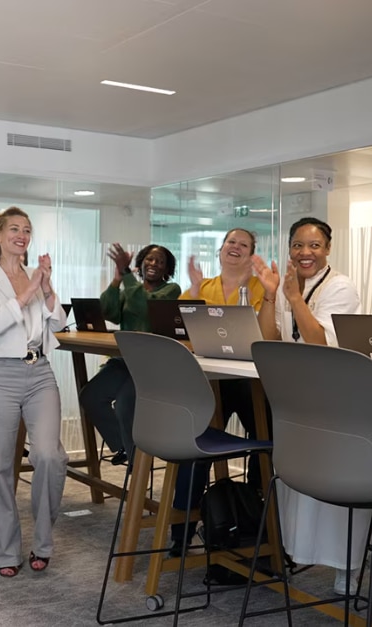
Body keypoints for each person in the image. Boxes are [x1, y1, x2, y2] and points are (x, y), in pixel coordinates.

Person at [251, 217, 372, 596]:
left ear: (328, 248)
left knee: (340, 480)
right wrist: (270, 295)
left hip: (336, 396)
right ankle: (306, 553)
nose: (305, 253)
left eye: (314, 245)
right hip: (297, 395)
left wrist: (295, 298)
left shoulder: (340, 286)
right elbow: (269, 336)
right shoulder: (285, 286)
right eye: (298, 245)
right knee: (302, 478)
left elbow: (318, 342)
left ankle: (360, 559)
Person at [0, 206, 69, 579]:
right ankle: (5, 549)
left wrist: (46, 288)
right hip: (1, 374)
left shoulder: (35, 277)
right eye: (14, 229)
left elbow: (58, 321)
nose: (22, 235)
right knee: (0, 465)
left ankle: (43, 542)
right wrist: (28, 290)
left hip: (39, 371)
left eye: (27, 229)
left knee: (49, 457)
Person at [171, 227, 265, 556]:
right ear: (220, 250)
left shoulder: (260, 289)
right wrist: (194, 288)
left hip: (245, 381)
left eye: (243, 244)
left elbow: (259, 336)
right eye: (230, 243)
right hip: (207, 381)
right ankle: (180, 532)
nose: (235, 248)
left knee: (266, 439)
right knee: (196, 445)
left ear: (251, 255)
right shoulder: (203, 287)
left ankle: (255, 521)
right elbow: (180, 331)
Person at [80, 243, 180, 465]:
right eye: (150, 259)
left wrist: (126, 275)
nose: (154, 264)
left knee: (126, 404)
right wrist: (117, 279)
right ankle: (125, 446)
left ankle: (136, 469)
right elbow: (110, 312)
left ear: (167, 269)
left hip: (151, 366)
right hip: (124, 361)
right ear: (141, 263)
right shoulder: (129, 288)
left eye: (160, 262)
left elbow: (143, 306)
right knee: (90, 396)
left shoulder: (171, 290)